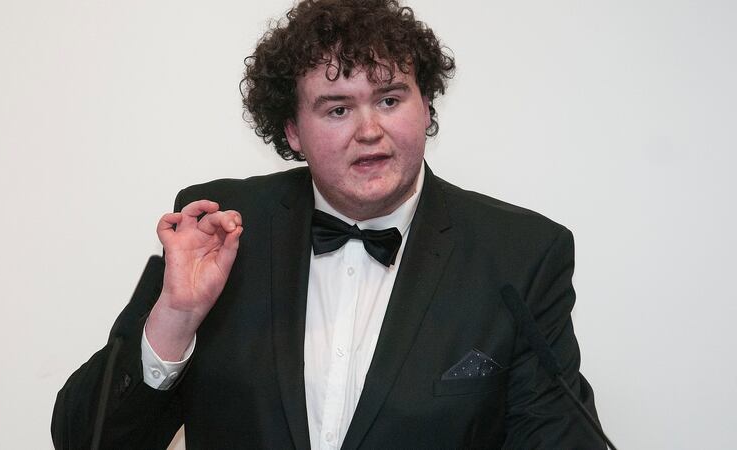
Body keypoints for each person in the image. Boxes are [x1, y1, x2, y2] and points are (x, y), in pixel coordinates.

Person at [52, 0, 604, 448]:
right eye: (337, 109)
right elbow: (83, 438)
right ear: (292, 131)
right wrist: (175, 318)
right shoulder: (222, 227)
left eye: (389, 99)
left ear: (427, 107)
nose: (369, 130)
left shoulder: (520, 254)